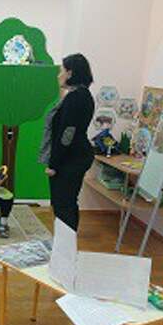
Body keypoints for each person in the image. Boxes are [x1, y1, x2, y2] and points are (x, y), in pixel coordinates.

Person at [39, 53, 95, 232]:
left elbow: (67, 135)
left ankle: (66, 244)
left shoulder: (76, 97)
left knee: (64, 204)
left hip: (71, 159)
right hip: (74, 156)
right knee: (65, 203)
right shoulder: (80, 95)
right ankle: (64, 243)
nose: (59, 75)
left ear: (70, 73)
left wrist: (54, 164)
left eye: (61, 71)